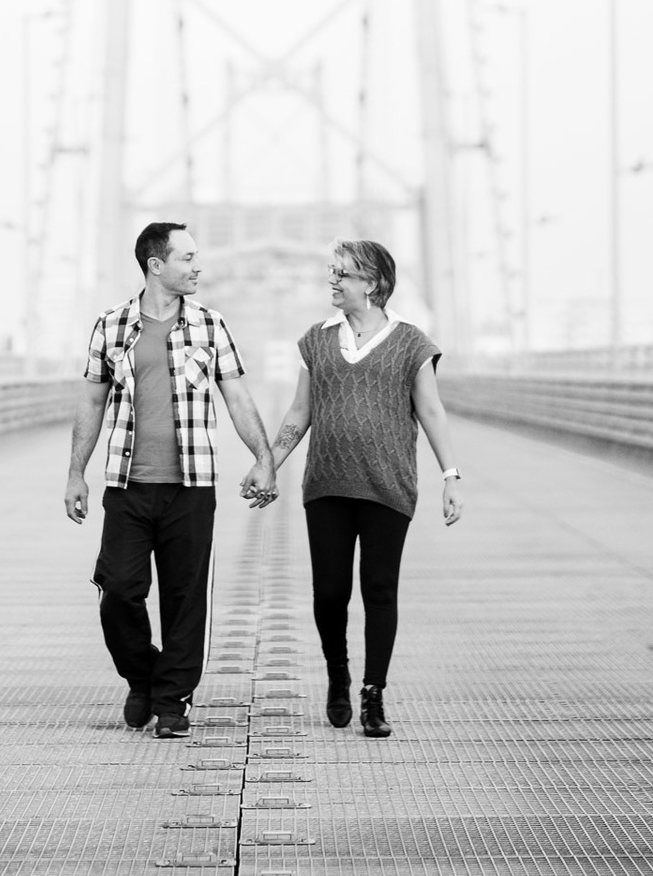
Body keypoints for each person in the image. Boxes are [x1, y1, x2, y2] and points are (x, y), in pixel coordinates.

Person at [65, 222, 277, 738]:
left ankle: (172, 701)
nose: (197, 265)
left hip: (191, 486)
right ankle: (142, 676)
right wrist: (76, 473)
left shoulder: (211, 325)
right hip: (126, 485)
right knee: (117, 589)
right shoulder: (111, 325)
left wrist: (264, 458)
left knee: (185, 598)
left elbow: (238, 396)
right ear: (155, 265)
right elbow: (92, 401)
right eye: (187, 257)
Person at [249, 237, 462, 738]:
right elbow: (299, 414)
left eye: (341, 273)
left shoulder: (411, 343)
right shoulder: (316, 340)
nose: (332, 280)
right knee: (330, 593)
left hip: (389, 486)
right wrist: (269, 464)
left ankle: (374, 693)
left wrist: (450, 477)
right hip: (326, 484)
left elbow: (430, 411)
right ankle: (338, 674)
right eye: (331, 271)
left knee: (380, 590)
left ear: (372, 283)